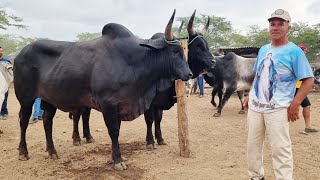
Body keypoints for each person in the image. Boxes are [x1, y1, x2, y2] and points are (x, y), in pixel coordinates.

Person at [244, 9, 314, 180]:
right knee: (252, 146)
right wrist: (249, 95)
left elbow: (308, 80)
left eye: (280, 24)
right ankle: (256, 176)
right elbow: (258, 74)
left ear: (288, 27)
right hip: (256, 106)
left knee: (280, 148)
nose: (275, 27)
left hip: (278, 108)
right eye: (272, 24)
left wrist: (295, 103)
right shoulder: (263, 50)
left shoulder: (294, 51)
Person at [295, 44, 318, 133]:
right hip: (297, 87)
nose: (305, 52)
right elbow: (308, 76)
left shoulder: (297, 60)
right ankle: (308, 127)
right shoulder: (299, 61)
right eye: (304, 51)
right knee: (306, 105)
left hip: (295, 87)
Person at [0, 46, 11, 120]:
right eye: (0, 51)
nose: (1, 52)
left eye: (2, 51)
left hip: (4, 84)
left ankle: (4, 113)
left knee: (4, 98)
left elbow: (11, 71)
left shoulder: (6, 61)